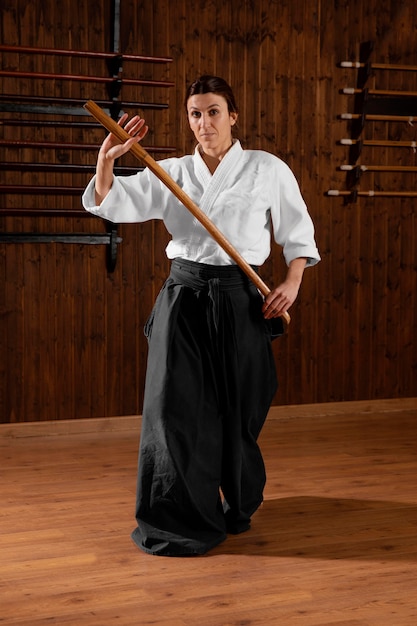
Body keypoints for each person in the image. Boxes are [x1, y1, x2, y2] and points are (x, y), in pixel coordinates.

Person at [82, 75, 320, 556]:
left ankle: (236, 504)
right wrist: (108, 159)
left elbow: (299, 238)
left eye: (213, 111)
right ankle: (178, 515)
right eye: (195, 113)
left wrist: (291, 283)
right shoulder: (170, 171)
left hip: (241, 298)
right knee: (173, 412)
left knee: (240, 409)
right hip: (184, 297)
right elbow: (111, 202)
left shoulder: (266, 169)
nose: (204, 122)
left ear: (233, 115)